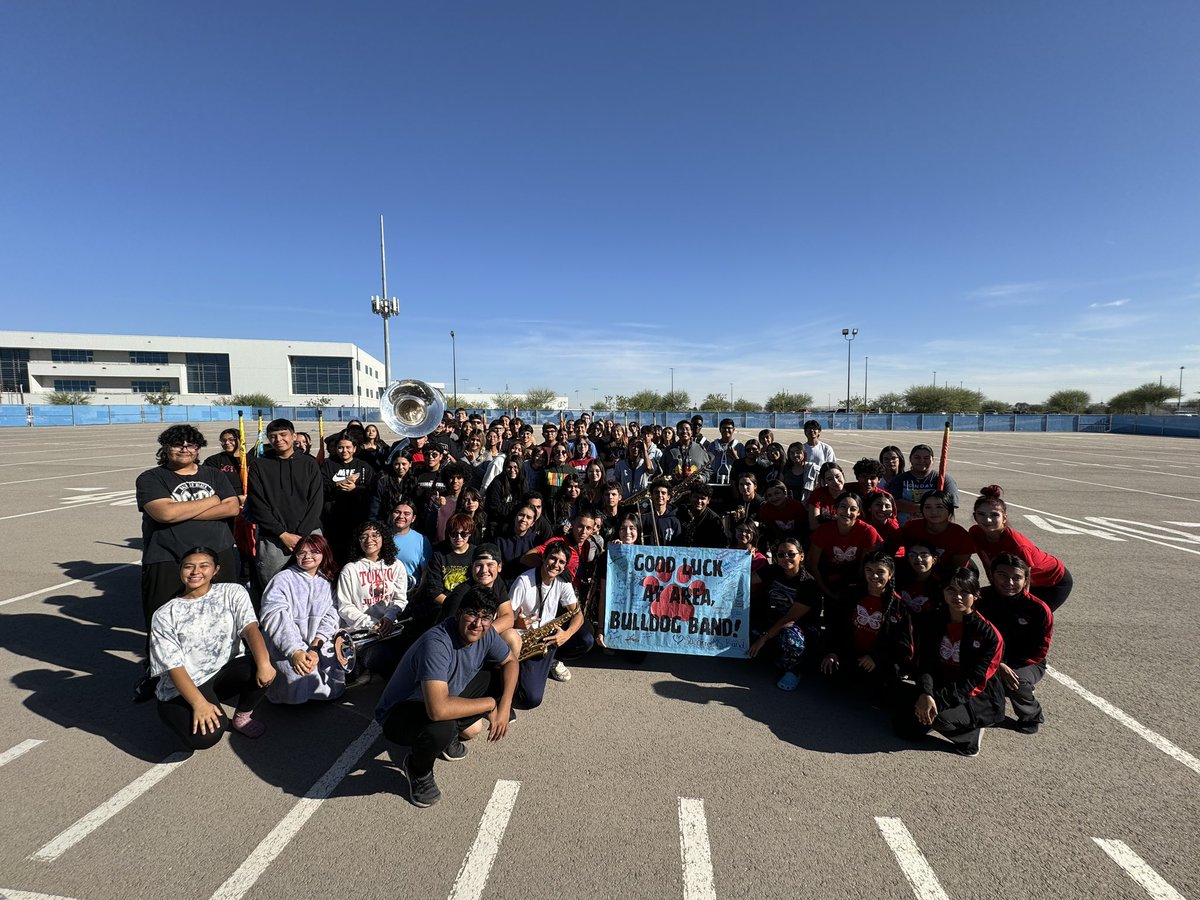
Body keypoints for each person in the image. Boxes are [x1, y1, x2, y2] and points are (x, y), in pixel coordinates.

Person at [375, 584, 518, 808]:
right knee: (442, 726)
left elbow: (510, 661)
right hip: (401, 714)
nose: (477, 624)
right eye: (472, 613)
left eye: (485, 617)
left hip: (442, 696)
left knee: (500, 679)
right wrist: (491, 705)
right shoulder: (437, 643)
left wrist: (505, 704)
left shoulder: (486, 634)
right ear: (460, 612)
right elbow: (438, 709)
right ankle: (417, 769)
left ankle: (451, 732)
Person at [135, 424, 242, 701]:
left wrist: (181, 511)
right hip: (167, 558)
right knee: (162, 620)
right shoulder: (151, 478)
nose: (185, 449)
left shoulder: (214, 474)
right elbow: (163, 514)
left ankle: (218, 672)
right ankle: (157, 675)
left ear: (198, 449)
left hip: (217, 555)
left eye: (191, 445)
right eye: (178, 444)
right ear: (165, 448)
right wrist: (210, 502)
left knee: (221, 617)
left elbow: (232, 507)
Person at [150, 547, 275, 749]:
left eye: (203, 566)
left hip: (224, 671)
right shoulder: (165, 614)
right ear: (180, 570)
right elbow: (173, 666)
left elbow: (250, 628)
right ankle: (177, 711)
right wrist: (199, 704)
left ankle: (242, 717)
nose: (195, 571)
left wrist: (264, 663)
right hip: (184, 684)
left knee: (265, 666)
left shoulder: (232, 592)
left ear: (216, 570)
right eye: (188, 566)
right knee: (207, 736)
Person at [894, 567, 1005, 756]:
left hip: (974, 696)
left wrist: (936, 700)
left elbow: (975, 681)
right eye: (951, 590)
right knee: (904, 727)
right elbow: (925, 663)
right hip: (941, 685)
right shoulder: (932, 621)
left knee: (937, 717)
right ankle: (932, 714)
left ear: (976, 595)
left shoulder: (989, 635)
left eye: (965, 591)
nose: (957, 596)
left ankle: (970, 736)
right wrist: (925, 693)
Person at [818, 551, 913, 705]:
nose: (874, 576)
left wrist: (876, 657)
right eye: (869, 570)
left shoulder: (899, 606)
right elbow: (835, 625)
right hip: (849, 653)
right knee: (827, 672)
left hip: (877, 660)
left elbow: (904, 647)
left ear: (890, 574)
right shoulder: (851, 594)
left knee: (883, 696)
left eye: (880, 572)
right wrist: (832, 651)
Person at [259, 534, 346, 704]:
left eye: (314, 552)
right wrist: (295, 650)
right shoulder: (282, 579)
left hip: (318, 641)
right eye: (301, 553)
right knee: (296, 672)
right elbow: (275, 616)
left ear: (324, 554)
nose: (307, 557)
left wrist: (315, 645)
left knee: (326, 670)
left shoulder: (329, 580)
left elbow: (333, 614)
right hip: (287, 644)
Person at [975, 553, 1053, 733]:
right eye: (1002, 575)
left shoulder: (1038, 609)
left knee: (1015, 680)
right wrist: (996, 664)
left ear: (1026, 579)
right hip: (985, 657)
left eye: (1016, 577)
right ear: (992, 575)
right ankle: (986, 709)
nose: (1009, 582)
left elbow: (1039, 650)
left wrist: (1006, 666)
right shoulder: (980, 599)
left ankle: (1031, 715)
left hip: (1025, 662)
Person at [245, 418, 324, 592]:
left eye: (283, 434)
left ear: (293, 436)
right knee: (273, 588)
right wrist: (282, 534)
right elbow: (257, 503)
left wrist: (302, 537)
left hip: (308, 534)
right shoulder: (259, 465)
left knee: (314, 585)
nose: (278, 439)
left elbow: (316, 501)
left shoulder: (309, 463)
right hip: (273, 538)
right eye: (273, 436)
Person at [510, 543, 593, 705]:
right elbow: (505, 616)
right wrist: (517, 622)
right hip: (526, 640)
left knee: (586, 640)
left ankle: (553, 659)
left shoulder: (563, 582)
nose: (556, 565)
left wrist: (565, 635)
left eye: (561, 562)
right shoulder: (524, 581)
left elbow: (578, 616)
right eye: (553, 559)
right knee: (531, 699)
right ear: (543, 558)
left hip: (548, 637)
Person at [970, 485, 1073, 611]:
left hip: (1052, 582)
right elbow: (987, 566)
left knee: (1025, 618)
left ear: (1004, 518)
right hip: (1016, 581)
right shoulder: (975, 533)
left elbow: (1025, 582)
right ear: (975, 517)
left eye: (994, 515)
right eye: (982, 514)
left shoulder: (1017, 546)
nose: (988, 519)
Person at [336, 520, 409, 678]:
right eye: (364, 537)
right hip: (361, 634)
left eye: (375, 535)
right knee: (382, 658)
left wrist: (388, 618)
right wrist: (373, 624)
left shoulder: (397, 566)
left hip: (388, 630)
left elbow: (400, 599)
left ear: (384, 538)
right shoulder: (350, 570)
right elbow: (344, 607)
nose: (369, 540)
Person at [748, 538, 823, 690]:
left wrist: (763, 638)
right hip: (772, 621)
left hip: (800, 627)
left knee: (790, 638)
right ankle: (773, 657)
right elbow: (744, 580)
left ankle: (793, 671)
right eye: (780, 555)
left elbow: (790, 618)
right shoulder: (773, 570)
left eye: (791, 554)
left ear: (801, 556)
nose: (785, 558)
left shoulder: (809, 585)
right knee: (746, 632)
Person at [807, 491, 883, 600]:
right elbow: (812, 565)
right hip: (827, 577)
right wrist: (829, 594)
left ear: (858, 512)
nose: (847, 512)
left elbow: (865, 567)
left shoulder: (867, 531)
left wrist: (854, 591)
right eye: (843, 507)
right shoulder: (824, 531)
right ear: (836, 509)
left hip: (854, 578)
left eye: (853, 509)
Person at [321, 435, 374, 564]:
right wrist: (340, 483)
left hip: (356, 520)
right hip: (333, 520)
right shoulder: (328, 465)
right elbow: (322, 486)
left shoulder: (363, 466)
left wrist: (355, 488)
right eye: (340, 447)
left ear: (354, 449)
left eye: (348, 447)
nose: (344, 451)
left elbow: (371, 488)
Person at [900, 490, 974, 577]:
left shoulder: (961, 536)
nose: (934, 512)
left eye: (939, 507)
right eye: (927, 507)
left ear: (950, 509)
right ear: (921, 510)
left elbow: (957, 570)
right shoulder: (912, 526)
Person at [892, 443, 960, 524]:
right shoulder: (900, 479)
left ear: (932, 460)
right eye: (917, 457)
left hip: (933, 528)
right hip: (904, 528)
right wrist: (927, 507)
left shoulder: (943, 479)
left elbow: (950, 505)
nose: (922, 461)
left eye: (926, 458)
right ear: (910, 459)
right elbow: (895, 503)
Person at [390, 498, 433, 594]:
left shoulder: (421, 540)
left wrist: (418, 593)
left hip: (409, 593)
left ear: (413, 518)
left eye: (406, 514)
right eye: (397, 512)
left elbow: (426, 571)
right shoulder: (380, 538)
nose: (401, 516)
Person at [756, 481, 808, 548]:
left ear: (785, 492)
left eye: (777, 493)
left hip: (798, 539)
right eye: (769, 495)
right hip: (776, 541)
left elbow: (804, 526)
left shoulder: (796, 506)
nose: (774, 498)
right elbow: (769, 530)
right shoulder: (765, 510)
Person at [679, 483, 727, 548]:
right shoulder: (680, 512)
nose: (699, 501)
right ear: (690, 497)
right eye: (696, 497)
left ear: (708, 501)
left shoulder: (714, 520)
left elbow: (721, 545)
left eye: (703, 498)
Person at [805, 462, 848, 531]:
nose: (836, 481)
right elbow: (813, 525)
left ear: (842, 474)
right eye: (830, 479)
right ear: (824, 481)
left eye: (837, 476)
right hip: (825, 535)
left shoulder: (852, 492)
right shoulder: (818, 495)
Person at [639, 478, 683, 546]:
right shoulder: (644, 517)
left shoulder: (674, 520)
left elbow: (678, 545)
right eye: (656, 493)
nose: (660, 495)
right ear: (651, 495)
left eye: (663, 493)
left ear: (668, 497)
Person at [202, 428, 245, 494]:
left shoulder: (251, 460)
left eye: (231, 440)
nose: (227, 443)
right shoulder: (213, 460)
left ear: (240, 440)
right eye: (224, 440)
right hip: (225, 498)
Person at [801, 420, 836, 500]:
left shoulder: (827, 448)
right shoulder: (802, 449)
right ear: (805, 432)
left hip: (822, 483)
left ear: (819, 431)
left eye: (814, 429)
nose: (811, 431)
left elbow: (831, 467)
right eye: (809, 429)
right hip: (806, 483)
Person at [707, 419, 743, 486]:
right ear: (720, 429)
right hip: (714, 481)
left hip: (733, 482)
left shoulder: (739, 446)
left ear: (733, 430)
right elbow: (706, 464)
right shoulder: (712, 446)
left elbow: (743, 467)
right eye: (724, 428)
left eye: (729, 428)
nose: (726, 430)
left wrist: (735, 456)